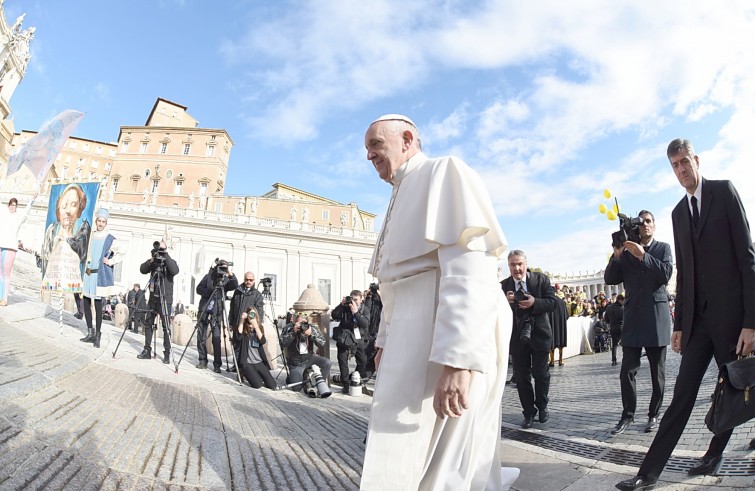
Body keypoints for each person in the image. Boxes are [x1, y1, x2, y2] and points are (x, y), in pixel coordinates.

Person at [361, 114, 510, 490]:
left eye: (375, 145)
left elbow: (469, 269)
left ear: (407, 139)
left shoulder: (444, 172)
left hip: (443, 334)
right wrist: (384, 340)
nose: (369, 156)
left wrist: (459, 360)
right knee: (403, 453)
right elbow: (392, 283)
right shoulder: (396, 195)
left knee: (447, 463)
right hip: (408, 336)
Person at [616, 138, 755, 490]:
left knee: (735, 388)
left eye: (684, 162)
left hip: (733, 321)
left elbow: (748, 259)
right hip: (698, 323)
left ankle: (714, 453)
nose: (681, 171)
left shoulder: (725, 192)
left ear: (697, 159)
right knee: (682, 397)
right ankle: (648, 474)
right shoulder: (678, 213)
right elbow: (686, 275)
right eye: (674, 166)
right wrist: (680, 325)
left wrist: (751, 323)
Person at [605, 211, 672, 437]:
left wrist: (643, 255)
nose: (644, 225)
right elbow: (610, 279)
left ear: (654, 225)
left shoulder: (663, 248)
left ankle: (654, 413)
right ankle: (627, 415)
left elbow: (665, 274)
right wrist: (617, 254)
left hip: (655, 316)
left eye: (648, 221)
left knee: (657, 372)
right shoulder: (626, 251)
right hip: (633, 317)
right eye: (640, 222)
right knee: (627, 371)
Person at [501, 250, 557, 429]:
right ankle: (528, 412)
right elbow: (494, 311)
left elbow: (553, 303)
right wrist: (504, 302)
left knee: (541, 374)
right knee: (522, 379)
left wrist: (535, 302)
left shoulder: (541, 280)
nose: (517, 268)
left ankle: (542, 406)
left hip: (539, 334)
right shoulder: (503, 286)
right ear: (508, 266)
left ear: (526, 264)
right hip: (517, 338)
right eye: (512, 264)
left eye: (519, 264)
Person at [79, 209, 125, 348]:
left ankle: (98, 334)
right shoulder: (91, 235)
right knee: (86, 301)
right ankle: (90, 331)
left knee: (98, 305)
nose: (100, 223)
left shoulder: (109, 238)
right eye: (99, 221)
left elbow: (122, 250)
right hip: (88, 272)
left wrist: (110, 261)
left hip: (99, 275)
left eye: (103, 222)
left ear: (106, 223)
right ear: (96, 221)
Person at [40, 183, 91, 291]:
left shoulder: (82, 235)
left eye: (73, 205)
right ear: (59, 210)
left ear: (79, 209)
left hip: (71, 287)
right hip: (52, 285)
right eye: (64, 206)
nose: (68, 211)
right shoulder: (51, 232)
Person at [137, 241, 179, 363]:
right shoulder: (154, 263)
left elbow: (175, 270)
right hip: (153, 298)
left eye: (162, 248)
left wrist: (165, 256)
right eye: (158, 248)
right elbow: (142, 269)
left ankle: (167, 353)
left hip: (165, 299)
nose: (160, 250)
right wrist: (151, 260)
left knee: (166, 327)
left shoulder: (170, 262)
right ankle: (147, 349)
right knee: (148, 323)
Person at [195, 261, 238, 373]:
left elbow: (235, 285)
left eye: (224, 268)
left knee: (217, 338)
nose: (221, 270)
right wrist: (210, 292)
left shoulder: (225, 280)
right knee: (201, 336)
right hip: (204, 309)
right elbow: (198, 289)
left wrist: (229, 273)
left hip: (217, 311)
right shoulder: (208, 277)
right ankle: (202, 361)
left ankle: (217, 365)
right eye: (220, 268)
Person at [331, 289, 370, 393]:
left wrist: (356, 313)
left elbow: (365, 324)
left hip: (359, 338)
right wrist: (341, 305)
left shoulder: (364, 310)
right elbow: (334, 315)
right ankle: (345, 383)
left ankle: (355, 379)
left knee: (362, 361)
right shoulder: (345, 308)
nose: (354, 301)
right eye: (352, 299)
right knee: (342, 361)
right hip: (345, 337)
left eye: (356, 299)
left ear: (361, 299)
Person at [279, 313, 332, 390]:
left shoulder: (311, 328)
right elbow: (282, 343)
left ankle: (319, 384)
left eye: (303, 323)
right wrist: (293, 332)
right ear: (295, 321)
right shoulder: (288, 327)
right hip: (296, 363)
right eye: (299, 323)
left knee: (327, 363)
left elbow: (322, 343)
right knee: (296, 388)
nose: (301, 326)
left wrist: (311, 335)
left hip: (309, 358)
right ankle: (294, 377)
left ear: (307, 322)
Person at [0, 196, 35, 306]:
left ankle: (4, 298)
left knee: (6, 274)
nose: (13, 207)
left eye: (15, 205)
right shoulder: (4, 214)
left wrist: (31, 200)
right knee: (0, 274)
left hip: (10, 248)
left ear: (16, 207)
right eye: (11, 205)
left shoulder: (18, 217)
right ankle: (1, 296)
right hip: (1, 246)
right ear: (8, 205)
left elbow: (26, 212)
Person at [227, 272, 265, 373]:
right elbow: (232, 308)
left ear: (254, 280)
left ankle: (243, 367)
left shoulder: (257, 295)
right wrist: (230, 322)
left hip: (248, 327)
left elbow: (259, 312)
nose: (248, 282)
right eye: (246, 279)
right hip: (237, 323)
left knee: (245, 348)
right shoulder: (238, 291)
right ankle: (235, 365)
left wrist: (256, 324)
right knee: (236, 345)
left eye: (250, 280)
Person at [236, 307, 278, 390]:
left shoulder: (259, 327)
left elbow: (262, 341)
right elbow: (238, 336)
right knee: (257, 385)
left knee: (273, 385)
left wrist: (256, 327)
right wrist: (242, 320)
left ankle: (255, 374)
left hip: (258, 360)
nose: (251, 316)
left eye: (253, 314)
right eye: (250, 314)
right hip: (247, 361)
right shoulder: (244, 326)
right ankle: (244, 372)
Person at [362, 283, 382, 377]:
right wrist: (368, 296)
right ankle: (365, 376)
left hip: (379, 330)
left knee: (375, 357)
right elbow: (367, 310)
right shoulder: (369, 299)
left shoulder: (382, 299)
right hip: (371, 332)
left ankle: (366, 376)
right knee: (370, 356)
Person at [604, 294, 625, 366]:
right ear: (620, 300)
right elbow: (623, 319)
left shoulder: (609, 307)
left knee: (614, 345)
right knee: (624, 344)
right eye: (623, 301)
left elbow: (606, 318)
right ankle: (625, 359)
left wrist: (610, 323)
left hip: (612, 327)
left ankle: (614, 360)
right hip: (621, 328)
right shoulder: (622, 309)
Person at [548, 294, 569, 367]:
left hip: (552, 325)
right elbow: (567, 316)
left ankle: (552, 361)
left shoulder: (549, 301)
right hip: (561, 326)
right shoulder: (562, 302)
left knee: (552, 343)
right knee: (561, 343)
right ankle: (560, 360)